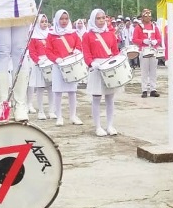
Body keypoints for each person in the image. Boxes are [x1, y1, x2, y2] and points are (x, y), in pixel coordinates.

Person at [83, 8, 121, 136]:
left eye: (103, 17)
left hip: (108, 66)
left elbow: (115, 51)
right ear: (93, 19)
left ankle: (110, 125)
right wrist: (91, 63)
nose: (101, 20)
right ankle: (98, 126)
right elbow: (86, 53)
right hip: (96, 67)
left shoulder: (110, 33)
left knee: (110, 97)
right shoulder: (87, 35)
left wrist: (117, 60)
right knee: (97, 97)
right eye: (98, 18)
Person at [45, 9, 82, 126]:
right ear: (56, 19)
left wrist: (76, 51)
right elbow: (48, 51)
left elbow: (79, 45)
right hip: (58, 66)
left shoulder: (73, 32)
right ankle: (59, 116)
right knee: (58, 92)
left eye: (66, 18)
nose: (64, 21)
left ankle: (73, 115)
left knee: (72, 91)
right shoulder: (51, 35)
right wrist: (56, 59)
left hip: (71, 66)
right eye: (61, 19)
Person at [132, 9, 161, 98]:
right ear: (142, 17)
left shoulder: (154, 27)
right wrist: (142, 41)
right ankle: (144, 90)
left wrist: (156, 41)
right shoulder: (138, 27)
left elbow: (159, 38)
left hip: (153, 49)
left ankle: (153, 89)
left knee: (153, 71)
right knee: (144, 71)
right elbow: (134, 39)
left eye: (149, 16)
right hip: (144, 49)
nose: (148, 18)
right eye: (146, 16)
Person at [27, 14, 51, 120]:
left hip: (50, 62)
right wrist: (38, 61)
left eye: (46, 21)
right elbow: (32, 52)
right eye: (42, 21)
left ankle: (51, 110)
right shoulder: (33, 37)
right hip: (39, 64)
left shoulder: (51, 35)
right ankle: (41, 110)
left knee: (51, 88)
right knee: (40, 88)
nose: (44, 23)